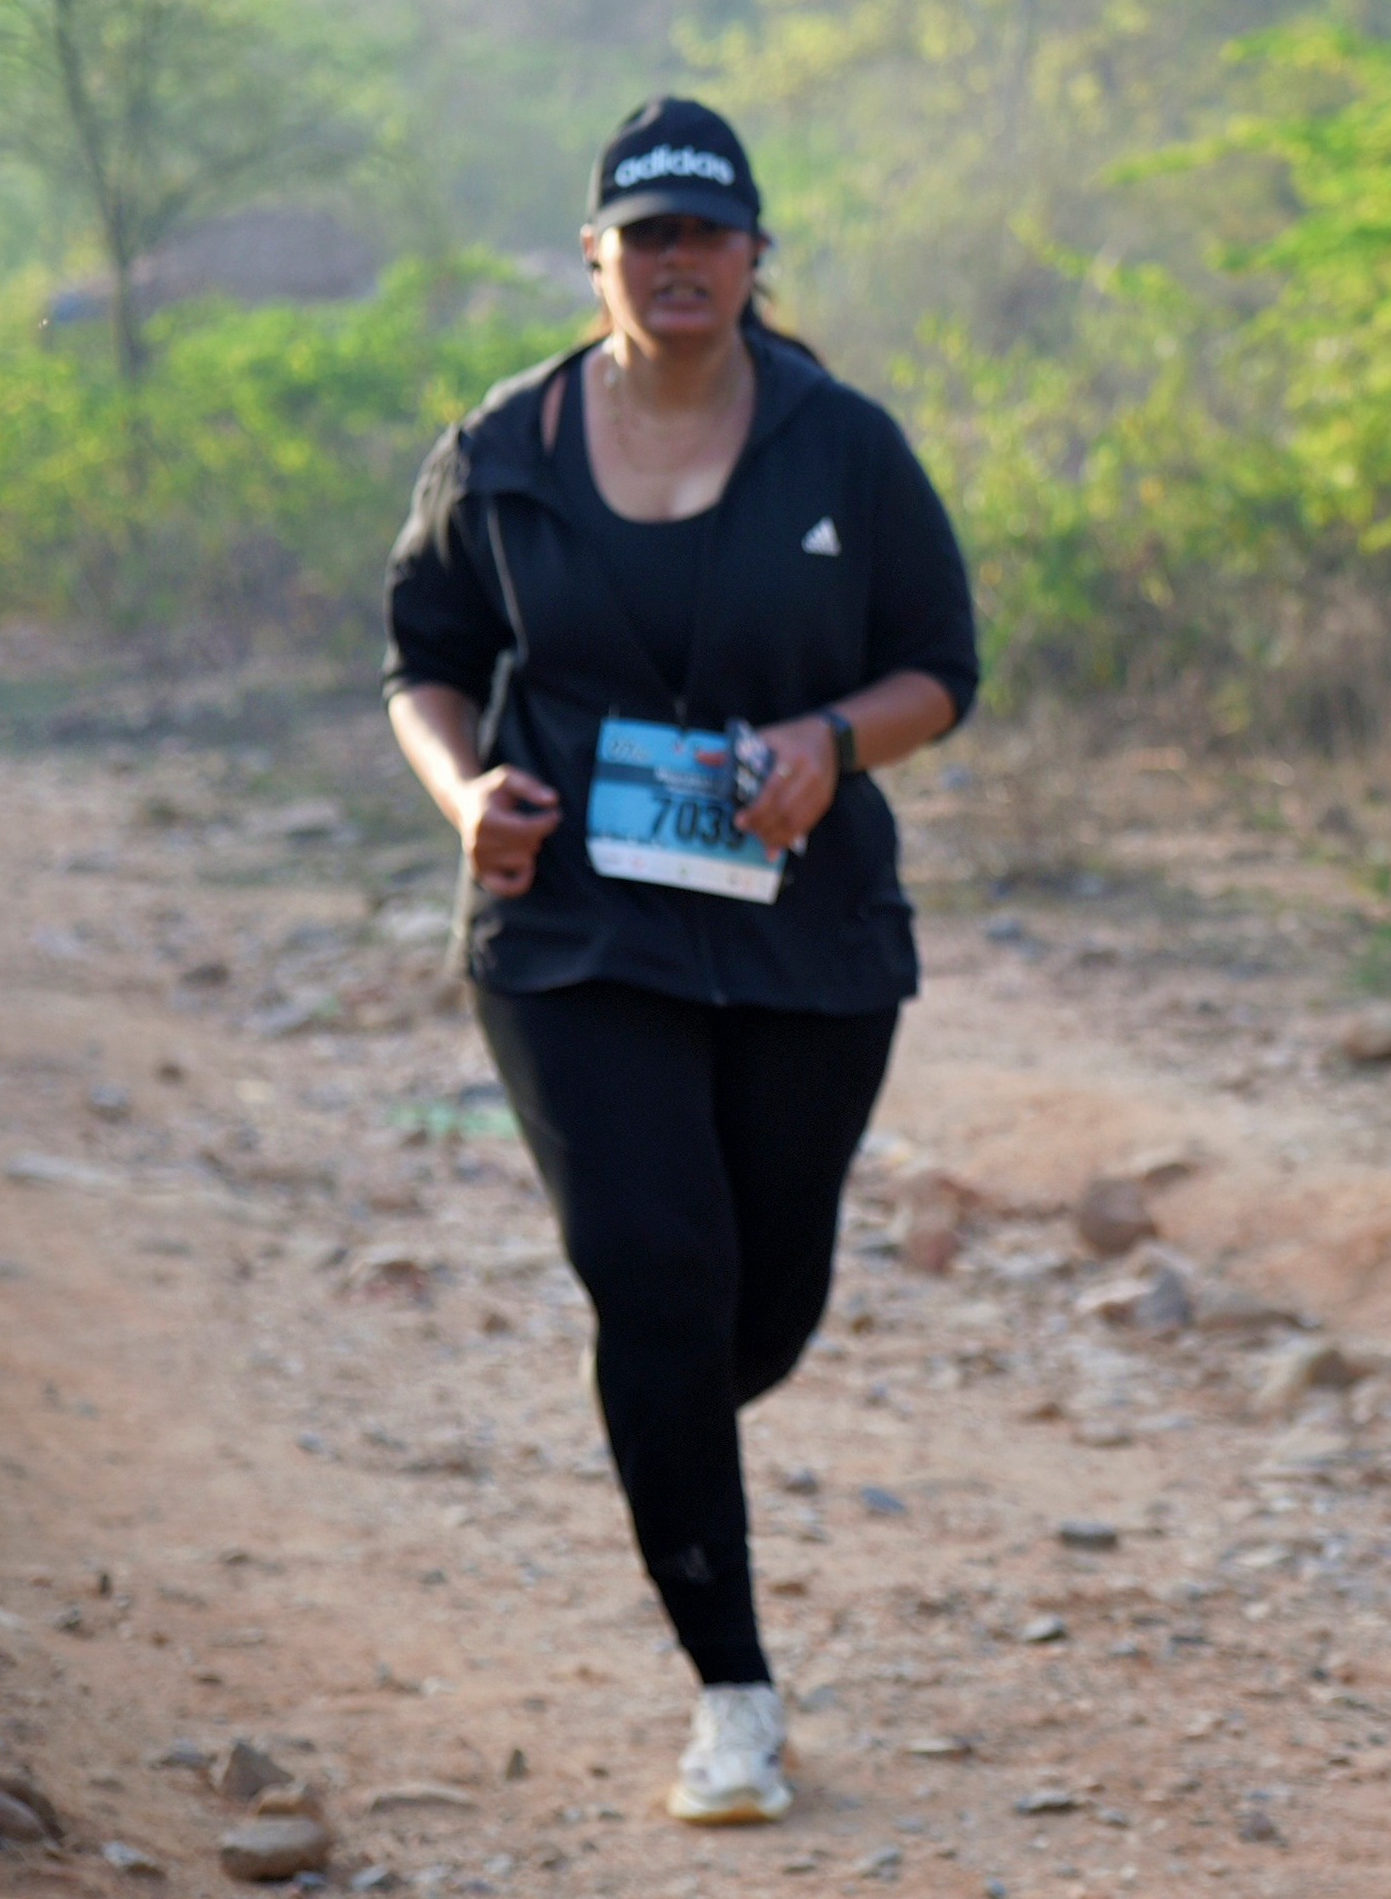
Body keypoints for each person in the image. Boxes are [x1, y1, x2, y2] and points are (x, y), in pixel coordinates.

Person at [381, 95, 977, 1828]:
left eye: (708, 232)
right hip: (572, 928)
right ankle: (733, 1689)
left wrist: (829, 742)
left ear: (754, 252)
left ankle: (661, 1413)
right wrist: (462, 792)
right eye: (647, 234)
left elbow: (941, 665)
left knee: (754, 1309)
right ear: (597, 256)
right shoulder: (500, 450)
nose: (679, 260)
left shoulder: (842, 446)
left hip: (806, 932)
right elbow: (424, 662)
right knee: (657, 1272)